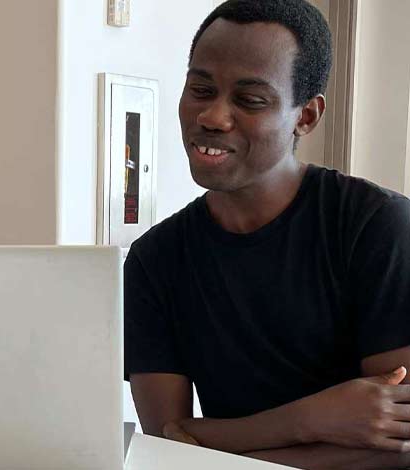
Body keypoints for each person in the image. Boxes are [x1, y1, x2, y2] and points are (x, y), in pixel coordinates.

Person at [124, 0, 410, 468]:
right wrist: (312, 418)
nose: (213, 117)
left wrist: (217, 439)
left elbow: (399, 448)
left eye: (250, 99)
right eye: (200, 88)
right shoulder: (155, 260)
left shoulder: (378, 227)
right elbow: (167, 449)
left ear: (307, 116)